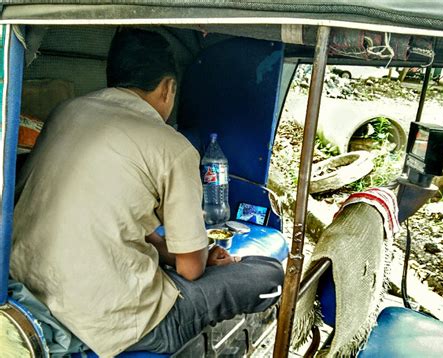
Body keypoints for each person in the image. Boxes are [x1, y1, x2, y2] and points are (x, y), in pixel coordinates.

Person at [10, 28, 284, 356]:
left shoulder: (65, 113)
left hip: (25, 286)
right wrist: (201, 255)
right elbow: (191, 270)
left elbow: (102, 218)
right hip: (105, 321)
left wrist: (167, 249)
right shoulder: (172, 146)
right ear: (169, 88)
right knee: (267, 273)